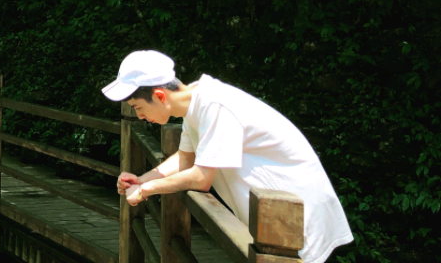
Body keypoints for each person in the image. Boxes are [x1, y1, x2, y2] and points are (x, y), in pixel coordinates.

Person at [101, 50, 353, 263]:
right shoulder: (194, 106)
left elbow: (201, 178)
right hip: (274, 217)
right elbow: (184, 159)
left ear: (159, 96)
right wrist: (140, 180)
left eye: (139, 108)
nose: (141, 116)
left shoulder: (214, 105)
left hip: (298, 215)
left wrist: (147, 190)